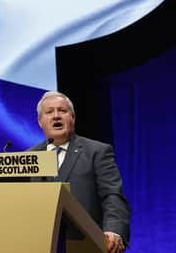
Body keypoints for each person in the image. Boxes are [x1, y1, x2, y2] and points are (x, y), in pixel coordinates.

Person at [28, 91, 130, 253]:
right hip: (39, 245)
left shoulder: (96, 151)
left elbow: (112, 195)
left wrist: (114, 230)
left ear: (72, 118)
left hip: (85, 245)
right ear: (40, 122)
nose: (56, 116)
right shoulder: (28, 157)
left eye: (62, 111)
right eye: (49, 112)